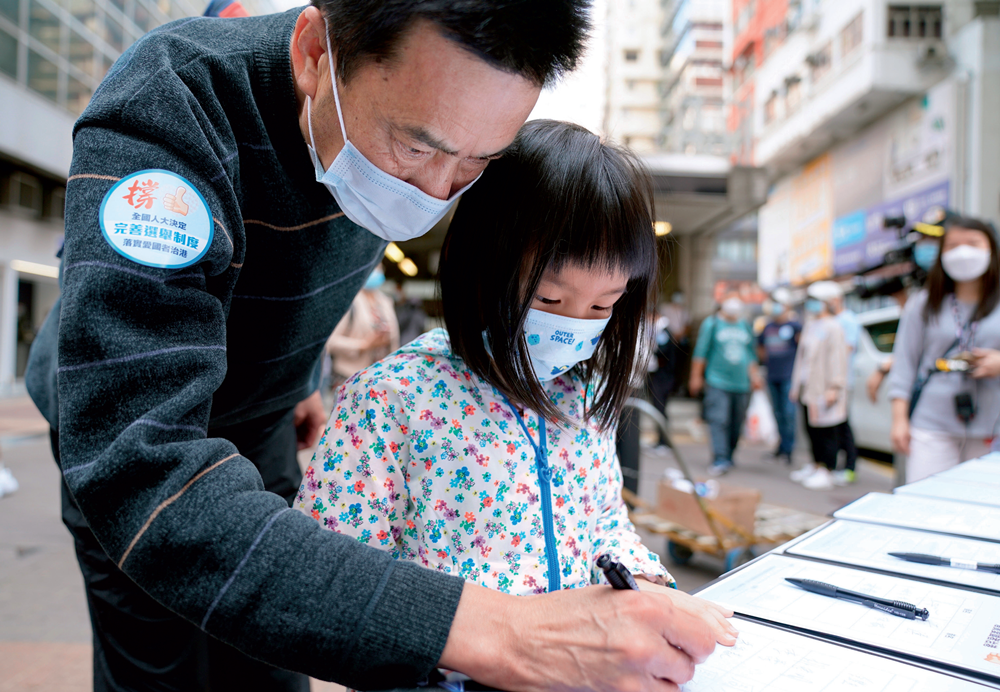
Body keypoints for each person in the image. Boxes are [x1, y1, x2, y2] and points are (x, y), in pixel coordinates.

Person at [21, 3, 722, 691]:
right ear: (314, 55)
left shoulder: (411, 124)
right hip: (142, 430)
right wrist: (499, 633)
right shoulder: (174, 102)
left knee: (272, 662)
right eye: (415, 149)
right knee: (161, 661)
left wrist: (300, 377)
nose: (438, 191)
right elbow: (139, 457)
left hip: (264, 421)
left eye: (479, 160)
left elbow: (292, 279)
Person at [295, 123, 736, 669]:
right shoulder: (392, 400)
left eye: (603, 307)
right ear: (485, 264)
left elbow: (602, 518)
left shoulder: (584, 395)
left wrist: (643, 584)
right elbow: (335, 581)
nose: (575, 325)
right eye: (550, 297)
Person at [887, 216, 1000, 483]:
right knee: (925, 502)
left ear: (991, 250)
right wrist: (899, 419)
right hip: (931, 422)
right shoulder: (923, 303)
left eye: (973, 243)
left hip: (991, 424)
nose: (963, 252)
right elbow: (904, 363)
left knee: (981, 510)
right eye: (953, 245)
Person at [689, 294, 763, 476]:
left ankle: (729, 455)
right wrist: (695, 377)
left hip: (741, 384)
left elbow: (750, 354)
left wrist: (755, 376)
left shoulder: (745, 324)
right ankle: (720, 458)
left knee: (736, 422)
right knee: (719, 419)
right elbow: (700, 353)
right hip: (717, 381)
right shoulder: (712, 323)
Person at [789, 283, 849, 491]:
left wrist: (835, 386)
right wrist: (796, 385)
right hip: (809, 388)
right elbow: (801, 358)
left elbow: (838, 359)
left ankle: (828, 470)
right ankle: (816, 465)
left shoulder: (834, 327)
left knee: (827, 431)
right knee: (811, 429)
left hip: (825, 389)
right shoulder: (810, 325)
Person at [326, 264, 400, 393]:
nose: (376, 272)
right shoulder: (347, 301)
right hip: (350, 378)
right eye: (373, 268)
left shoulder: (385, 301)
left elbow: (394, 337)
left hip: (379, 379)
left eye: (379, 268)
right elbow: (329, 342)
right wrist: (363, 345)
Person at [821, 283, 861, 485]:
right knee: (834, 427)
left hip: (842, 382)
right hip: (830, 383)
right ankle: (836, 466)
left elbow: (846, 350)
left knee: (843, 425)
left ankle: (849, 467)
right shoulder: (832, 320)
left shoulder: (847, 321)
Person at [757, 288, 801, 464]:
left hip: (789, 376)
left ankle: (789, 450)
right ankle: (781, 446)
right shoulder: (767, 327)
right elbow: (760, 348)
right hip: (772, 375)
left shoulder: (795, 326)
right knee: (777, 413)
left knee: (789, 413)